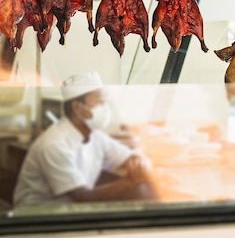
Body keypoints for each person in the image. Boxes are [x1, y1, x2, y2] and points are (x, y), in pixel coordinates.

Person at [13, 72, 152, 206]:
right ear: (77, 107)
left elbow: (129, 157)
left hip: (69, 207)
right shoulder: (54, 144)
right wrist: (130, 182)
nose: (104, 108)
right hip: (37, 214)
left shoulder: (95, 136)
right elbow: (83, 197)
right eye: (98, 101)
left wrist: (139, 163)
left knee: (143, 191)